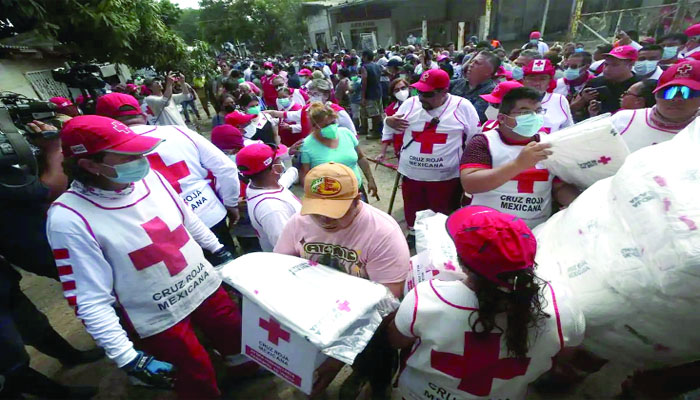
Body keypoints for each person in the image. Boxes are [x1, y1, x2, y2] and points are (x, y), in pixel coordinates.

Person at [46, 115, 252, 399]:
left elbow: (187, 219)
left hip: (204, 284)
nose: (142, 160)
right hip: (157, 314)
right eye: (128, 156)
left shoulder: (151, 177)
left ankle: (246, 374)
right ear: (90, 165)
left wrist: (218, 252)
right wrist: (127, 357)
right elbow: (88, 298)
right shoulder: (68, 219)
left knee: (234, 334)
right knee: (193, 372)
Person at [387, 205, 584, 400]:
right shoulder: (563, 309)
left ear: (463, 265)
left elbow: (395, 340)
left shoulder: (427, 299)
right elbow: (564, 356)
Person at [0, 120, 103, 399]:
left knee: (29, 321)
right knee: (9, 354)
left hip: (12, 265)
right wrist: (53, 147)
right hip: (35, 245)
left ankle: (69, 356)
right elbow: (49, 187)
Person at [96, 93, 241, 255]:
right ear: (144, 116)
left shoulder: (107, 156)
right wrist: (231, 203)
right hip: (209, 212)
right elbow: (226, 168)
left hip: (167, 229)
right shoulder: (178, 131)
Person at [383, 69, 479, 245]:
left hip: (445, 179)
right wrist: (388, 121)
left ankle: (441, 243)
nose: (421, 97)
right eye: (419, 91)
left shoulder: (462, 106)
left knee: (442, 217)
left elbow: (474, 138)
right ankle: (414, 236)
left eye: (428, 94)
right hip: (412, 176)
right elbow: (392, 127)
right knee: (413, 212)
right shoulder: (410, 104)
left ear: (444, 92)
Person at [460, 87, 579, 228]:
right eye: (525, 112)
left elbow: (559, 186)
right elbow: (470, 184)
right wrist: (518, 165)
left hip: (535, 228)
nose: (534, 117)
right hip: (490, 228)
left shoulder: (549, 143)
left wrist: (578, 203)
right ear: (502, 118)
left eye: (538, 111)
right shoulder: (483, 142)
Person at [611, 60, 700, 153]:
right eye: (668, 92)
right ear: (656, 95)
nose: (676, 99)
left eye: (688, 93)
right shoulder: (623, 120)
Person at [299, 102, 378, 199]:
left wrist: (370, 179)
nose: (331, 127)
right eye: (326, 125)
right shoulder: (307, 145)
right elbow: (306, 176)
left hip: (357, 191)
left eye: (333, 123)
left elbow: (361, 158)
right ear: (315, 126)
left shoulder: (346, 133)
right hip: (330, 198)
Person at [236, 143, 300, 252]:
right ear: (274, 168)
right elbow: (287, 249)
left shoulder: (256, 185)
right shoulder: (273, 210)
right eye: (279, 159)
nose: (281, 161)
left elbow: (280, 185)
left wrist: (293, 171)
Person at [265, 78, 357, 137]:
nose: (312, 97)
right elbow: (291, 115)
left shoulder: (338, 112)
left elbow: (352, 134)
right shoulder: (307, 109)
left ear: (326, 95)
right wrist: (271, 113)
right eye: (310, 94)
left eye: (315, 94)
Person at [571, 45, 639, 119]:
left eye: (614, 65)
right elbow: (571, 110)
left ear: (630, 64)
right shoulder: (595, 82)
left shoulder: (640, 86)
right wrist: (583, 100)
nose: (607, 69)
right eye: (606, 64)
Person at [521, 59, 573, 134]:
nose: (537, 83)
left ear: (550, 81)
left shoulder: (559, 100)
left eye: (543, 79)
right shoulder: (514, 99)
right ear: (524, 80)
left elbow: (569, 129)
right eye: (532, 78)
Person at [449, 51, 501, 122]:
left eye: (477, 63)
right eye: (472, 61)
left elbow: (473, 116)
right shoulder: (458, 83)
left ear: (489, 71)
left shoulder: (491, 92)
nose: (471, 65)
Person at [378, 77, 411, 161]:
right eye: (397, 90)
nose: (401, 92)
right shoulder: (390, 109)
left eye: (403, 88)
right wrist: (382, 153)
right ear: (393, 93)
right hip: (400, 146)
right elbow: (387, 131)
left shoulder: (420, 104)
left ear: (409, 88)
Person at [360, 49, 384, 139]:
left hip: (370, 93)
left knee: (374, 114)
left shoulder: (364, 67)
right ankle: (378, 130)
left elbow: (364, 82)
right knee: (379, 112)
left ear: (365, 57)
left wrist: (363, 96)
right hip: (378, 91)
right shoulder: (377, 66)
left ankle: (376, 132)